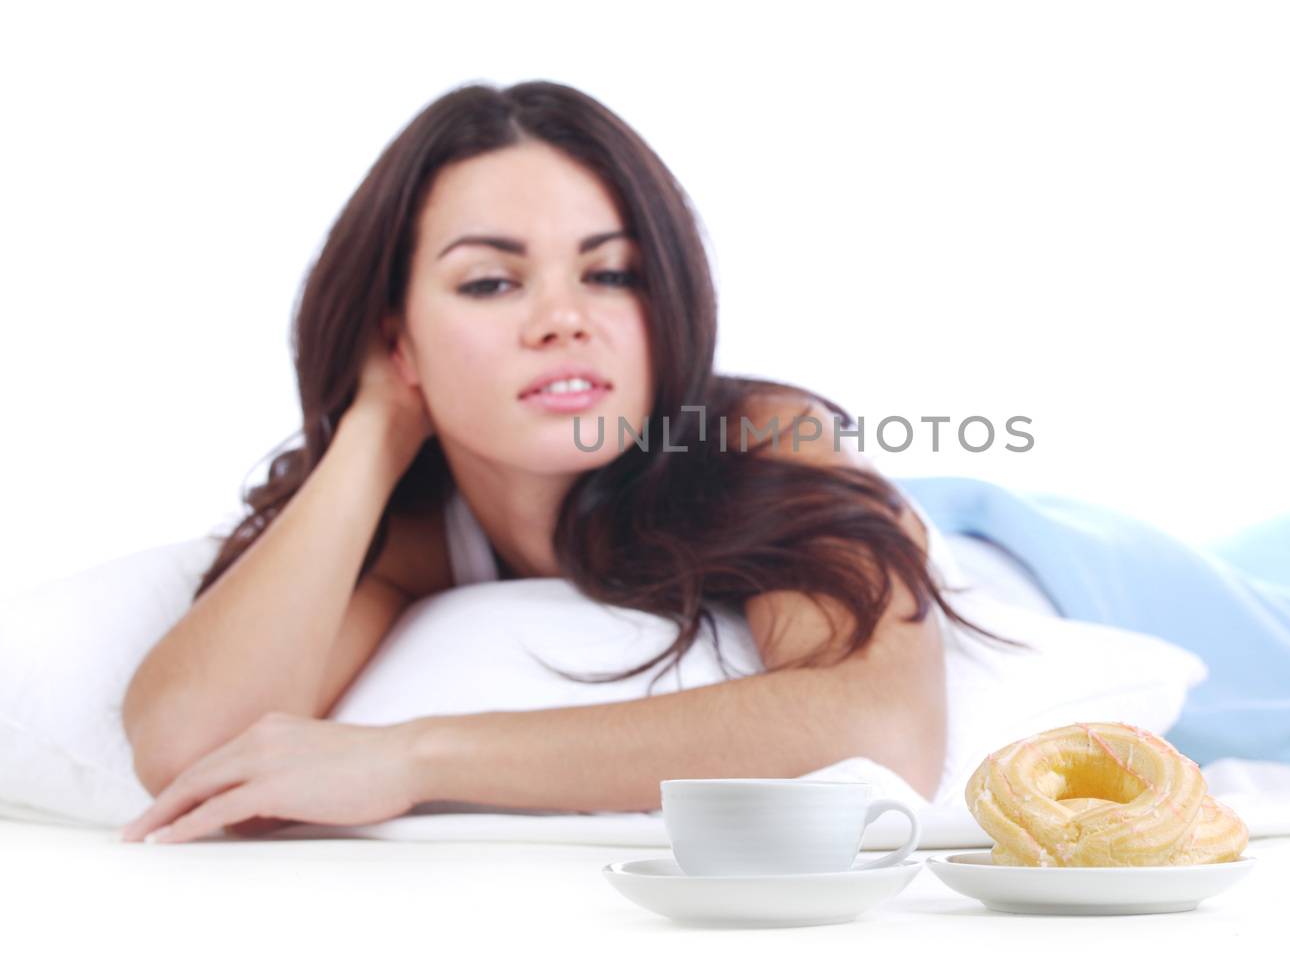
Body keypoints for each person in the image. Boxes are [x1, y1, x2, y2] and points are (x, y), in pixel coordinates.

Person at [117, 80, 1025, 845]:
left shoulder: (767, 435)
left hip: (1046, 553)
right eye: (491, 282)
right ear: (399, 337)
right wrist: (377, 425)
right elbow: (193, 742)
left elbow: (874, 731)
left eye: (612, 273)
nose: (563, 318)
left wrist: (412, 756)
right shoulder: (418, 530)